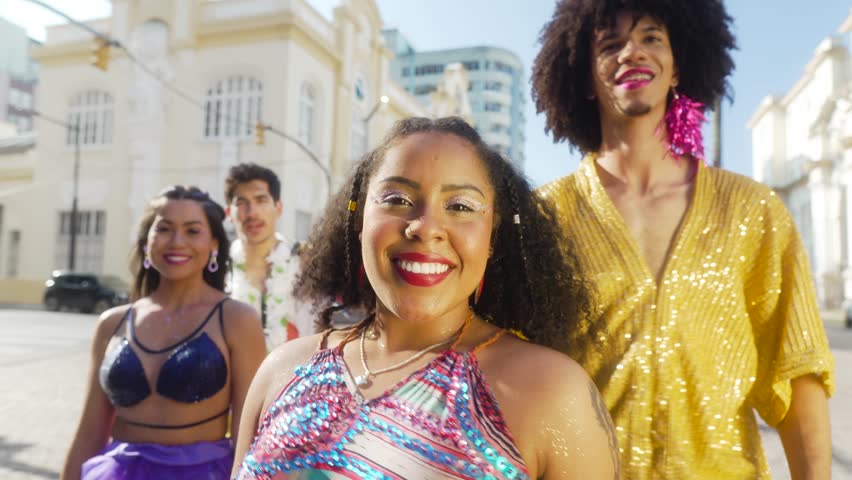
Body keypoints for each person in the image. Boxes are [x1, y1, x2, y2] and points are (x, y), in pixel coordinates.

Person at [531, 1, 834, 478]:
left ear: (677, 68)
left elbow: (797, 374)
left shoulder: (753, 211)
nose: (632, 52)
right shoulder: (543, 218)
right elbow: (512, 378)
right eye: (610, 44)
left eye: (651, 38)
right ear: (584, 77)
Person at [230, 117, 620, 479]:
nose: (425, 227)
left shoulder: (551, 391)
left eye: (460, 207)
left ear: (493, 236)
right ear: (360, 219)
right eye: (397, 199)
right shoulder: (281, 370)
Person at [61, 186, 266, 480]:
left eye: (192, 231)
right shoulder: (112, 322)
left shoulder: (237, 320)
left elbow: (250, 436)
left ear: (214, 245)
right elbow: (89, 431)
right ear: (147, 242)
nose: (177, 241)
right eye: (164, 229)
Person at [225, 163, 315, 350]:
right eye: (242, 203)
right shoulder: (219, 266)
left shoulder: (303, 262)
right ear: (229, 213)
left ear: (278, 207)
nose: (252, 213)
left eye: (261, 200)